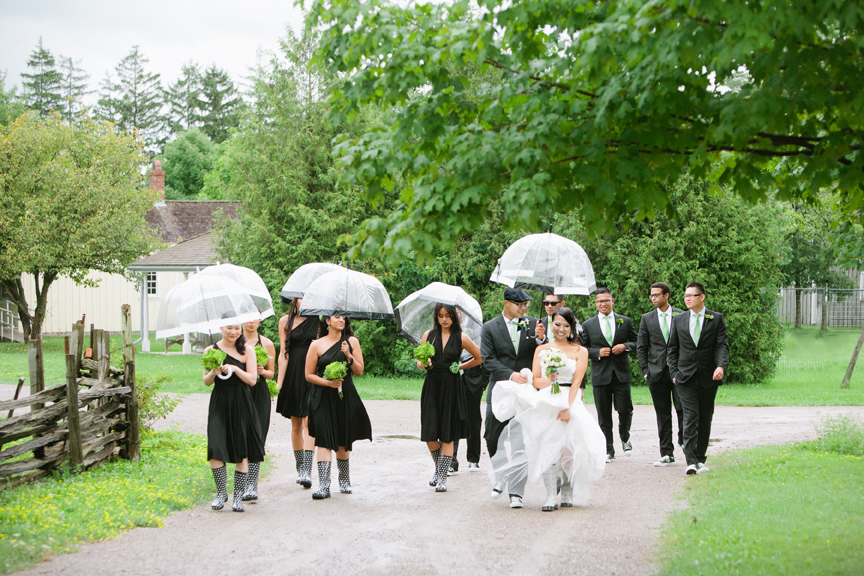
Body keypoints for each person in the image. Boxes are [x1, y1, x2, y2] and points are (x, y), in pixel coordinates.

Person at [517, 307, 606, 510]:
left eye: (566, 325)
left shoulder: (580, 351)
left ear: (571, 327)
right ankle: (550, 496)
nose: (561, 329)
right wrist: (550, 380)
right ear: (551, 324)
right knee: (548, 447)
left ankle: (567, 490)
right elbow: (535, 382)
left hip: (569, 400)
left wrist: (566, 407)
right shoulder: (541, 350)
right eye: (557, 324)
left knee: (569, 448)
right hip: (548, 400)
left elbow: (576, 383)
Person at [480, 287, 546, 509]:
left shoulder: (534, 324)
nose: (524, 309)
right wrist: (510, 374)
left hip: (525, 393)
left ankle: (516, 493)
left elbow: (544, 354)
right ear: (507, 303)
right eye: (520, 305)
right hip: (500, 389)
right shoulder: (489, 328)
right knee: (491, 435)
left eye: (526, 305)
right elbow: (487, 359)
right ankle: (501, 472)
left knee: (520, 441)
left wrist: (540, 339)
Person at [416, 303, 482, 492]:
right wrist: (424, 363)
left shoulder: (461, 337)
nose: (444, 319)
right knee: (429, 434)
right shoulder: (428, 336)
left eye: (448, 316)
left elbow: (479, 358)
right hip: (432, 385)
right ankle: (439, 469)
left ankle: (442, 477)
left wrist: (460, 367)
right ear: (436, 317)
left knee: (447, 434)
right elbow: (420, 363)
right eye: (440, 316)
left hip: (452, 386)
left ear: (454, 317)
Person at [305, 315, 372, 499]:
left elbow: (359, 371)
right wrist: (327, 383)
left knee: (343, 440)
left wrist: (349, 356)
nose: (341, 320)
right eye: (337, 317)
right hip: (322, 396)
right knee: (324, 439)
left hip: (345, 395)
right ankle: (324, 486)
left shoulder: (351, 341)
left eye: (343, 317)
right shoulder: (316, 345)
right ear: (327, 321)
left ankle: (344, 479)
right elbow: (308, 375)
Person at [667, 282, 729, 476]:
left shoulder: (715, 318)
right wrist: (675, 374)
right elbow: (672, 349)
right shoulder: (678, 320)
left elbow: (722, 345)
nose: (687, 299)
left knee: (705, 417)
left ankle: (701, 458)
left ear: (702, 297)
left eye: (692, 295)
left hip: (708, 377)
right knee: (690, 416)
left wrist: (720, 366)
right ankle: (691, 461)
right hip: (684, 378)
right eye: (685, 295)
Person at [202, 323, 264, 512]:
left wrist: (236, 369)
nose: (233, 332)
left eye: (237, 328)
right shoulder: (210, 350)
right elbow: (206, 382)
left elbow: (253, 380)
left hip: (241, 402)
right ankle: (221, 494)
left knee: (241, 449)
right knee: (216, 446)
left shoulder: (248, 350)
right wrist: (213, 372)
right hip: (220, 402)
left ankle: (238, 497)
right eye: (229, 328)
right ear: (221, 328)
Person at [580, 288, 638, 462]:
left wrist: (625, 346)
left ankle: (625, 437)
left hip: (621, 374)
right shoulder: (588, 324)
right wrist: (597, 352)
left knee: (626, 409)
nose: (603, 304)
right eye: (600, 301)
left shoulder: (624, 321)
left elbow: (638, 342)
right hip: (600, 375)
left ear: (612, 301)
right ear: (596, 303)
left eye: (606, 300)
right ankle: (608, 448)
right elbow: (582, 349)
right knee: (603, 415)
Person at [637, 282, 685, 467]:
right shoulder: (647, 318)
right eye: (651, 296)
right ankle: (667, 453)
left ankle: (684, 441)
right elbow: (642, 346)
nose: (653, 298)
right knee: (662, 414)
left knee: (682, 409)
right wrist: (645, 371)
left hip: (678, 371)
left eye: (656, 295)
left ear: (666, 295)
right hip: (656, 373)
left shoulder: (681, 315)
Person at [275, 297, 319, 488]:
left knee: (310, 421)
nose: (305, 300)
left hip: (312, 373)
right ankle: (300, 466)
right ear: (294, 299)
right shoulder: (285, 321)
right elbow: (283, 353)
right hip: (293, 372)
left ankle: (307, 470)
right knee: (296, 424)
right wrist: (279, 383)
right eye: (301, 297)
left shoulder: (319, 321)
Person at [240, 318, 276, 500]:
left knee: (258, 435)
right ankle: (242, 482)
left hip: (260, 393)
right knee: (242, 435)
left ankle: (252, 485)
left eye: (254, 318)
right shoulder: (236, 343)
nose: (250, 322)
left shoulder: (267, 344)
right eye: (246, 318)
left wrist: (262, 371)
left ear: (259, 320)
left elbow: (272, 373)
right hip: (241, 392)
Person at [451, 361, 489, 473]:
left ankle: (473, 459)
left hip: (474, 382)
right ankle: (451, 461)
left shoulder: (478, 342)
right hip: (451, 381)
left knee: (473, 420)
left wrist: (483, 381)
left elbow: (487, 357)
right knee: (452, 420)